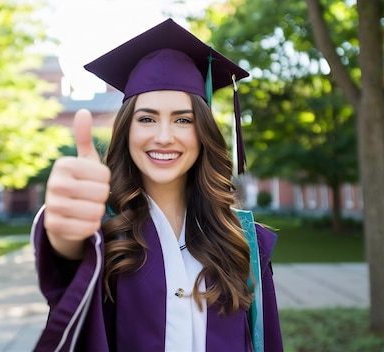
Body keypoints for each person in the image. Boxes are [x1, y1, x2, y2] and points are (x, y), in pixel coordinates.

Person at [31, 18, 283, 352]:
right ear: (127, 130)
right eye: (147, 118)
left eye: (183, 119)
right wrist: (65, 234)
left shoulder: (246, 242)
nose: (163, 137)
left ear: (203, 131)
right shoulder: (105, 234)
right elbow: (67, 265)